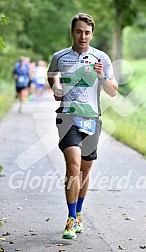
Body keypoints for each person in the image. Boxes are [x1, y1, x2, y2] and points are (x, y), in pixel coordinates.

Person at [47, 13, 118, 239]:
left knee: (85, 169)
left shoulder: (101, 58)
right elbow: (51, 75)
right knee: (73, 164)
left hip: (92, 118)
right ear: (72, 32)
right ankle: (69, 219)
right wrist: (56, 88)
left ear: (92, 34)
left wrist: (102, 76)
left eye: (87, 32)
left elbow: (113, 91)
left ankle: (78, 213)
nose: (83, 36)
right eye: (79, 31)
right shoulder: (60, 57)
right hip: (67, 117)